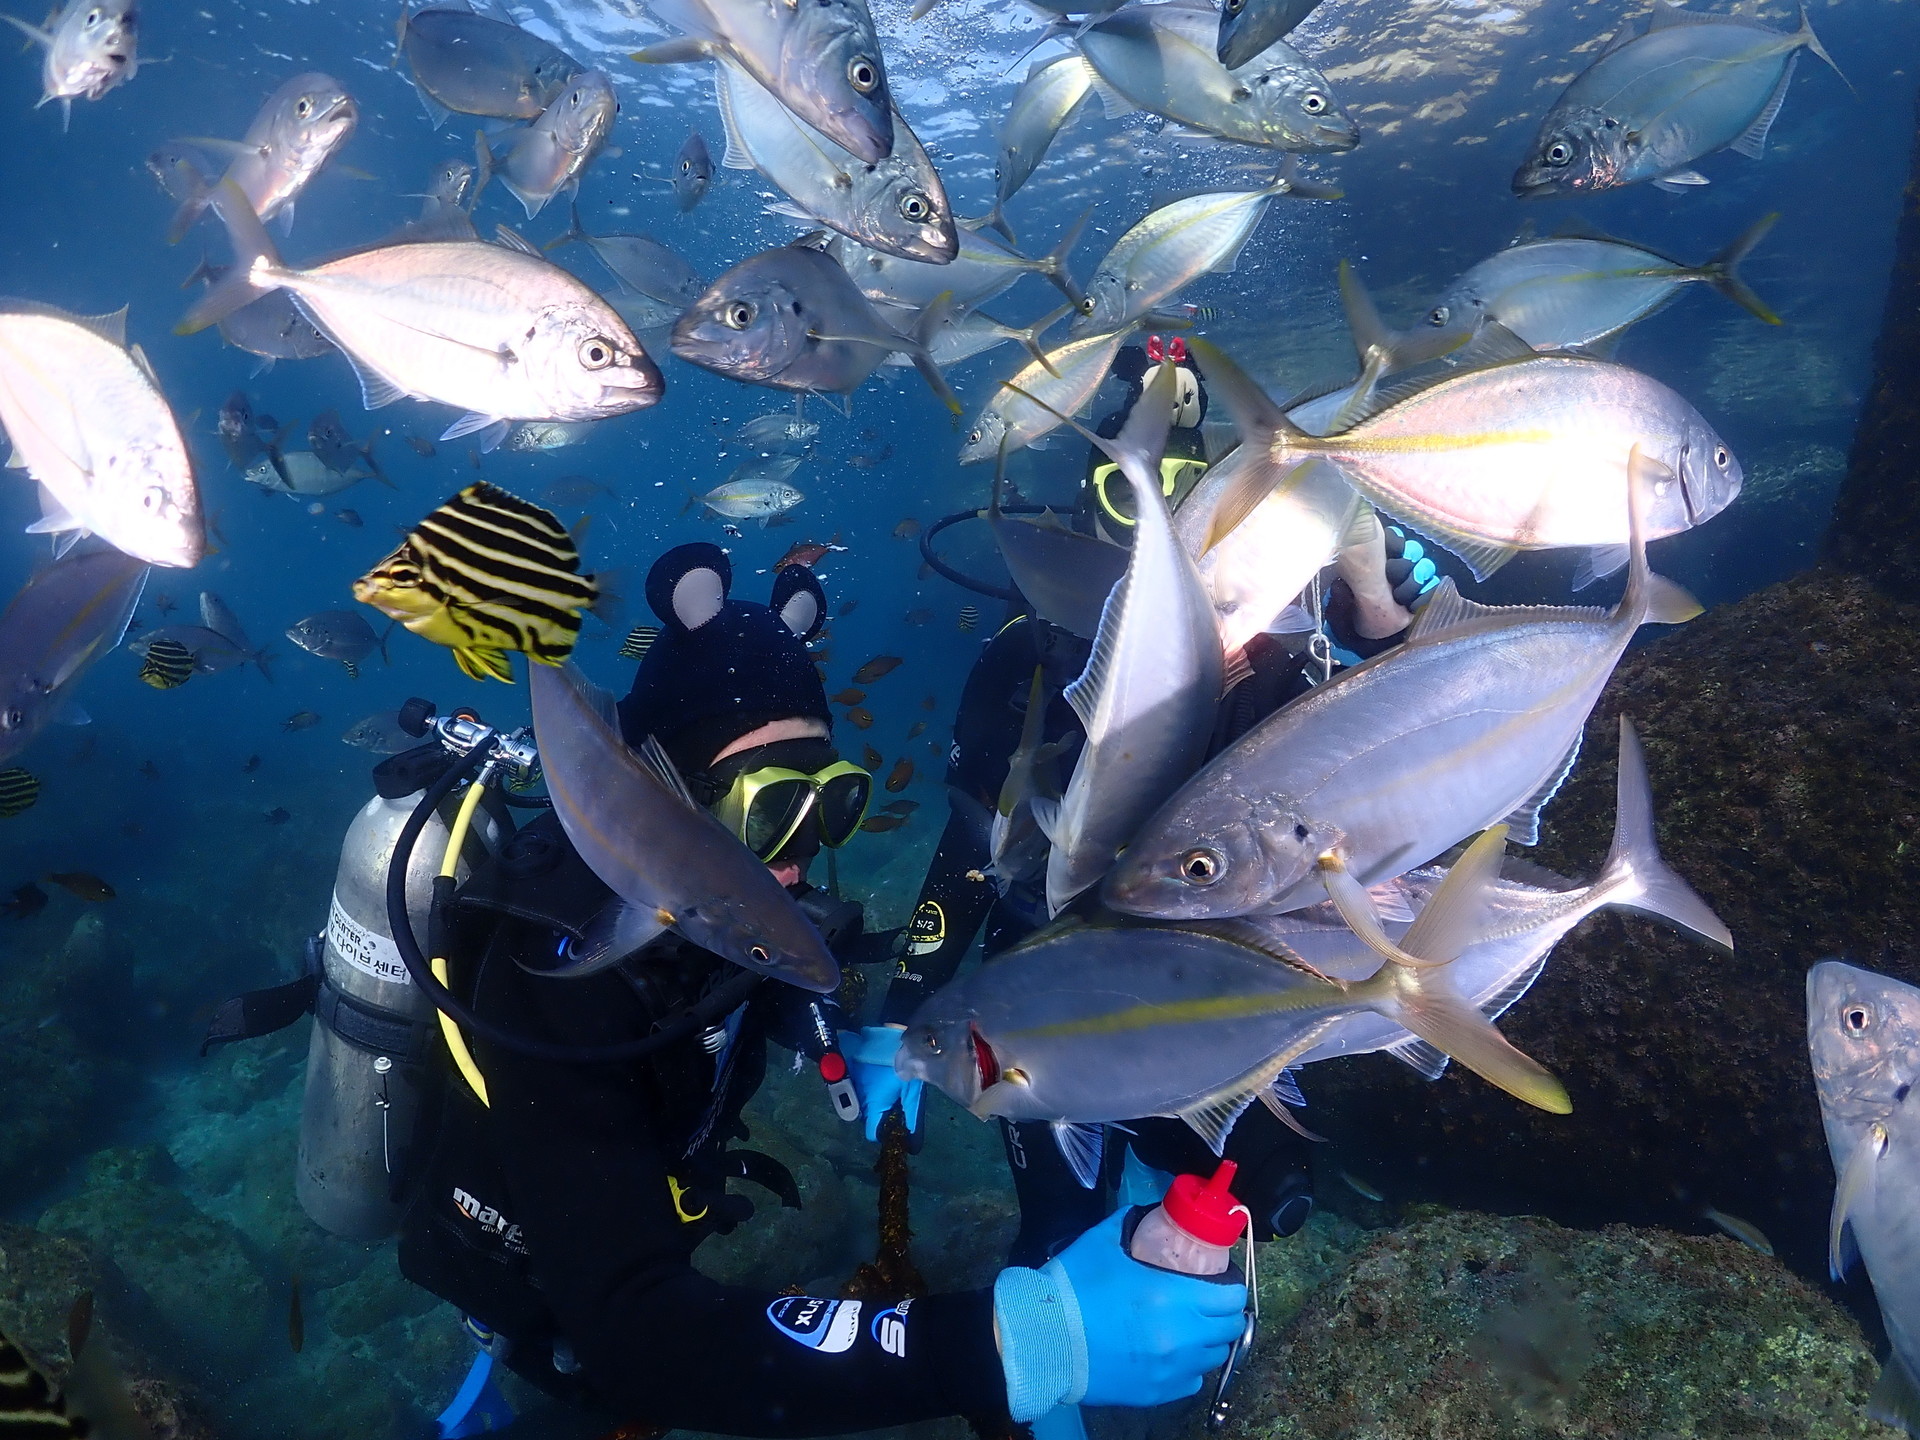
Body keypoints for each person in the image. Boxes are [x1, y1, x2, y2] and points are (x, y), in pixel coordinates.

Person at [394, 542, 1248, 1438]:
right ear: (679, 800)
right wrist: (1008, 1345)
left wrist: (840, 1036)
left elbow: (767, 968)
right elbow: (638, 1340)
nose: (801, 852)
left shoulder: (741, 907)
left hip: (660, 1213)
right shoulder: (559, 986)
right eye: (772, 808)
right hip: (551, 1279)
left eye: (830, 801)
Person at [841, 345, 1445, 1275]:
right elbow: (969, 847)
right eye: (1128, 497)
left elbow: (1401, 770)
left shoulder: (1288, 654)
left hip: (1214, 984)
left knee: (1275, 1193)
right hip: (1041, 995)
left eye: (1183, 495)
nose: (1155, 525)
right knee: (1055, 1230)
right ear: (1089, 505)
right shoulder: (1026, 657)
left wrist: (1384, 622)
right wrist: (912, 1005)